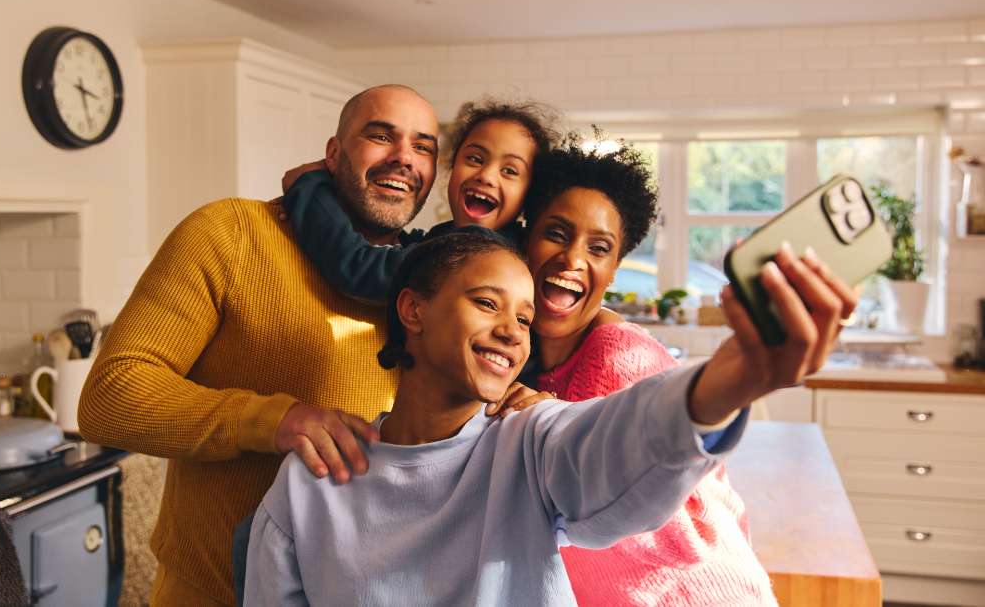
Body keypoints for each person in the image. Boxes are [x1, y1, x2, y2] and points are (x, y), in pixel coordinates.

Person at [244, 224, 854, 605]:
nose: (511, 332)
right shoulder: (311, 482)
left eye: (526, 320)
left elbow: (617, 445)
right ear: (413, 310)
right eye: (487, 303)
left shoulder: (526, 445)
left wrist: (733, 378)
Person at [79, 84, 453, 606]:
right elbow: (109, 398)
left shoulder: (438, 279)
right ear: (333, 153)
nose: (403, 159)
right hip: (214, 595)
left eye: (423, 147)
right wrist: (274, 420)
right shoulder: (231, 233)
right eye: (380, 135)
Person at [515, 139, 788, 605]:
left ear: (615, 269)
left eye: (599, 248)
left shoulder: (620, 357)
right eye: (557, 233)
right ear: (525, 241)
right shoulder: (531, 361)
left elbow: (621, 470)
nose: (573, 259)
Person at [279, 98, 560, 303]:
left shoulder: (481, 253)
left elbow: (357, 267)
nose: (486, 176)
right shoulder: (450, 239)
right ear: (450, 166)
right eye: (474, 158)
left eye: (510, 171)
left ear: (529, 195)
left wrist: (309, 189)